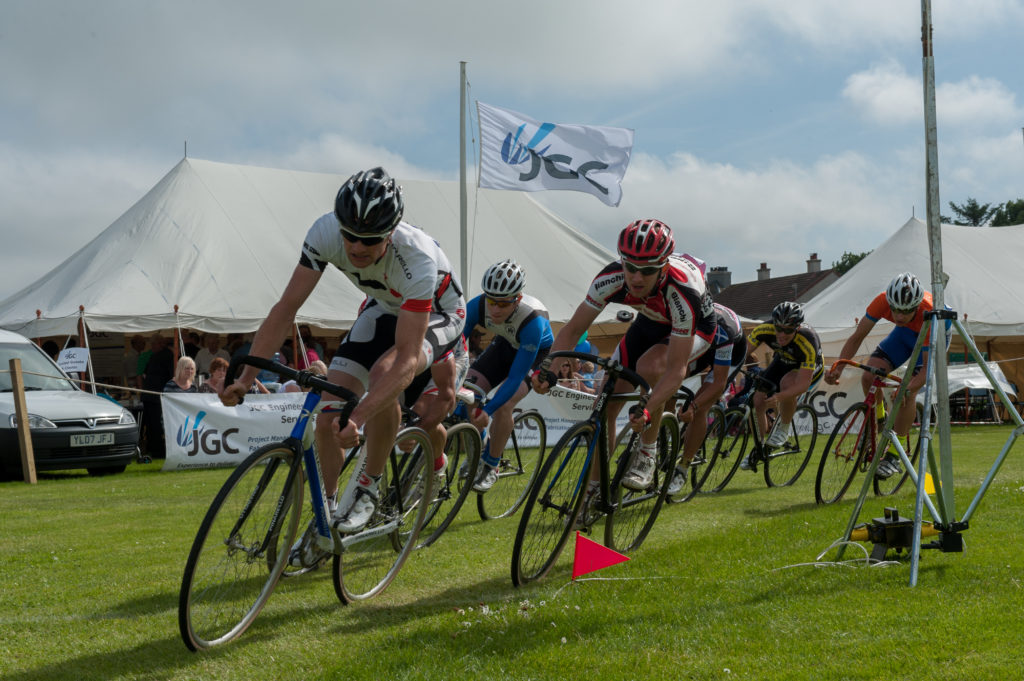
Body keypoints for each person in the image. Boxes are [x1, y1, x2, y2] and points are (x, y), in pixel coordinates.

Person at [220, 166, 465, 537]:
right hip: (383, 305)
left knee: (385, 377)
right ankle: (327, 515)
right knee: (327, 412)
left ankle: (369, 485)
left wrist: (361, 417)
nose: (356, 248)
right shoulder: (324, 233)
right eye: (350, 236)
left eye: (369, 240)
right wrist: (245, 379)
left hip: (439, 312)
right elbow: (286, 309)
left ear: (391, 233)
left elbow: (405, 361)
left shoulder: (417, 259)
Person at [532, 218, 716, 495]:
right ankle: (594, 491)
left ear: (664, 267)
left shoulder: (683, 293)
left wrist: (645, 409)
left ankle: (647, 453)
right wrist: (548, 368)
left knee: (651, 365)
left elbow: (676, 371)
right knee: (603, 407)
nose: (637, 277)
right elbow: (572, 331)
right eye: (630, 267)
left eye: (648, 270)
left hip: (696, 327)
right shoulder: (611, 277)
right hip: (650, 319)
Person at [824, 272, 950, 479]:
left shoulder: (928, 312)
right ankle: (880, 419)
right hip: (903, 336)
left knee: (906, 395)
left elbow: (928, 370)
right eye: (895, 310)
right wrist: (839, 365)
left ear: (916, 306)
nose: (899, 316)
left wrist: (908, 387)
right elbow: (856, 338)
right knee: (868, 377)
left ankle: (894, 455)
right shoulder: (882, 300)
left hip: (930, 334)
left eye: (905, 311)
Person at [461, 260, 554, 493]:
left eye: (503, 303)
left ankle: (492, 465)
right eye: (491, 300)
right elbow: (457, 344)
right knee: (467, 395)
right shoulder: (477, 306)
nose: (495, 309)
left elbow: (514, 379)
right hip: (505, 343)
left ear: (518, 299)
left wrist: (487, 410)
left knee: (504, 406)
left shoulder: (533, 321)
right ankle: (482, 444)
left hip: (535, 353)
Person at [668, 302, 746, 494]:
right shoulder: (680, 312)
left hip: (729, 351)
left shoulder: (723, 330)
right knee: (668, 383)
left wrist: (694, 406)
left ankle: (683, 467)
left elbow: (719, 383)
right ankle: (662, 438)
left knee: (702, 405)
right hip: (701, 345)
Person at [741, 301, 824, 469]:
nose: (782, 334)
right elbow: (741, 356)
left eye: (788, 330)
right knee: (757, 400)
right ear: (774, 324)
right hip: (783, 361)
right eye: (779, 328)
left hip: (808, 369)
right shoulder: (765, 329)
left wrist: (778, 397)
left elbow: (802, 385)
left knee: (787, 384)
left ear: (797, 328)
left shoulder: (808, 342)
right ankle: (759, 448)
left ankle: (783, 429)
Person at [200, 356, 269, 394]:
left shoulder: (230, 384)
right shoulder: (205, 386)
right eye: (219, 370)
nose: (222, 373)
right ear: (212, 371)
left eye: (224, 371)